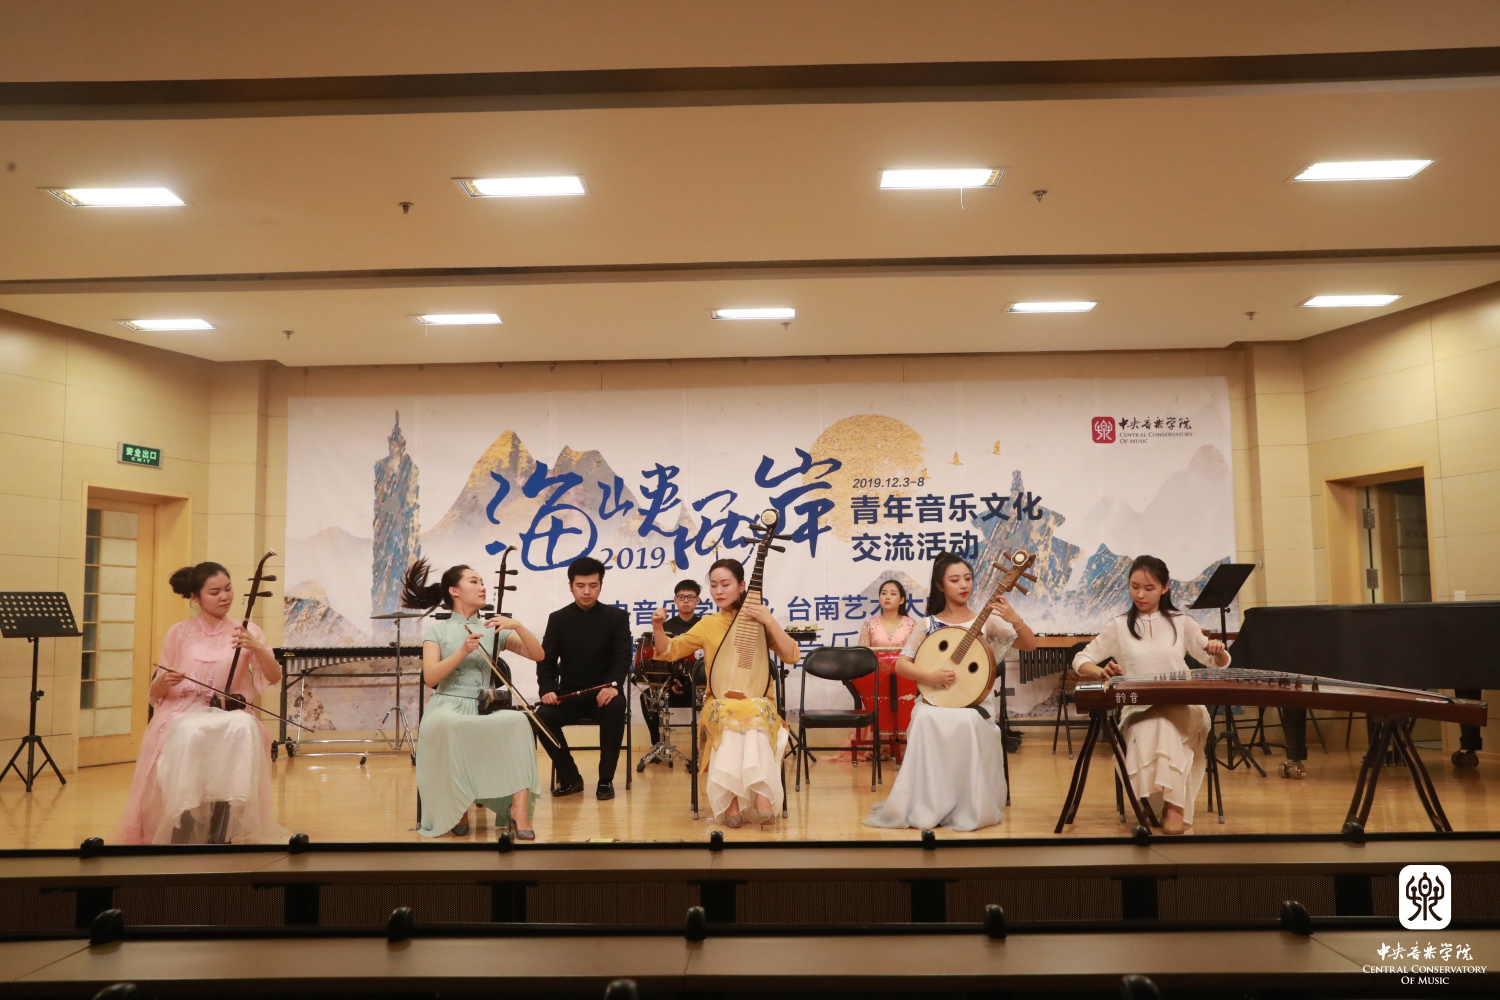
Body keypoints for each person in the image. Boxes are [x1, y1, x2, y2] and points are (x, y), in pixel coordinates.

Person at [865, 552, 1037, 832]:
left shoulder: (986, 622)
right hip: (934, 700)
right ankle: (929, 801)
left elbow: (1030, 644)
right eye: (955, 580)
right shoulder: (928, 624)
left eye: (967, 578)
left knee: (967, 721)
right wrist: (930, 676)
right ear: (940, 586)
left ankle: (968, 804)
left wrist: (1014, 618)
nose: (963, 585)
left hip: (973, 705)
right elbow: (901, 664)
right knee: (923, 717)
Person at [117, 562, 285, 844]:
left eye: (228, 589)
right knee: (189, 730)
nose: (225, 597)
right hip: (182, 712)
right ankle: (182, 821)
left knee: (243, 725)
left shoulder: (247, 630)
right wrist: (164, 681)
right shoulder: (178, 632)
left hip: (229, 712)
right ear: (195, 597)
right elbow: (156, 690)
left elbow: (274, 676)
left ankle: (223, 826)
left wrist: (257, 647)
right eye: (214, 592)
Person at [1072, 554, 1229, 835]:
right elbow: (1081, 659)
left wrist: (1217, 651)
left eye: (1149, 588)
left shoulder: (1182, 622)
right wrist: (1100, 671)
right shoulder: (1119, 626)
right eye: (1134, 587)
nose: (1140, 595)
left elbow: (1214, 660)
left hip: (1183, 706)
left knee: (1165, 723)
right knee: (1157, 724)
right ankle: (1167, 806)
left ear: (1165, 588)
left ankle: (1169, 807)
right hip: (1138, 708)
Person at [651, 558, 800, 827]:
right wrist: (658, 627)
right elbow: (669, 651)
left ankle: (762, 798)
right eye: (713, 585)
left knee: (754, 715)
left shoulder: (759, 621)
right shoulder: (709, 623)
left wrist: (769, 620)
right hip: (720, 702)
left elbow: (791, 655)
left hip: (759, 702)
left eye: (725, 584)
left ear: (742, 586)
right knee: (730, 717)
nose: (718, 591)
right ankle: (732, 804)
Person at [402, 559, 545, 840]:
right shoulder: (437, 631)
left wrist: (517, 625)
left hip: (484, 705)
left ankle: (519, 810)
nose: (482, 587)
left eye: (482, 582)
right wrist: (462, 652)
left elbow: (538, 654)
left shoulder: (493, 628)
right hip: (448, 704)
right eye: (474, 581)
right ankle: (458, 806)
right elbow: (430, 678)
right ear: (454, 591)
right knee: (451, 724)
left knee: (519, 722)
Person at [536, 556, 632, 800]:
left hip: (604, 695)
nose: (586, 591)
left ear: (601, 585)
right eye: (580, 585)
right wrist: (548, 689)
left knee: (616, 705)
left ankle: (605, 780)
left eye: (593, 585)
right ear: (570, 586)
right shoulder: (558, 619)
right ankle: (570, 777)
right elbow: (546, 660)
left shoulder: (617, 617)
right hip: (570, 695)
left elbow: (622, 657)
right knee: (542, 716)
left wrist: (614, 686)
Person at [643, 578, 705, 750]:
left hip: (700, 685)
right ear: (675, 600)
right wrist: (670, 682)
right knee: (647, 696)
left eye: (690, 597)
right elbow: (660, 658)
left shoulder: (705, 625)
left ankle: (707, 748)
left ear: (697, 600)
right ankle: (657, 745)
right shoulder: (664, 627)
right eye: (682, 597)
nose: (686, 601)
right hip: (671, 685)